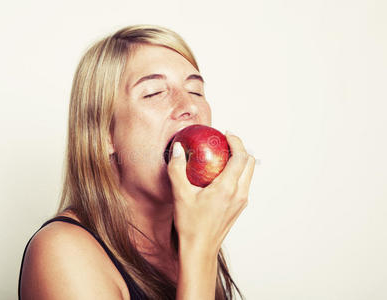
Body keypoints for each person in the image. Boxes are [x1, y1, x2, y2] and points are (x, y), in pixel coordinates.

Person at [18, 24, 255, 300]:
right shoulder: (61, 252)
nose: (189, 106)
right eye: (154, 93)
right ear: (104, 134)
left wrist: (199, 244)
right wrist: (200, 249)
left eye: (195, 91)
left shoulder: (188, 236)